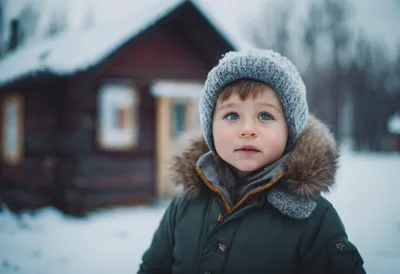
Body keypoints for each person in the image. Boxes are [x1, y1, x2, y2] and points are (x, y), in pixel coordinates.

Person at [138, 49, 366, 274]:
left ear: (290, 131)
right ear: (210, 129)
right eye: (232, 116)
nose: (247, 130)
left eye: (265, 116)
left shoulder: (312, 217)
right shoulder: (186, 203)